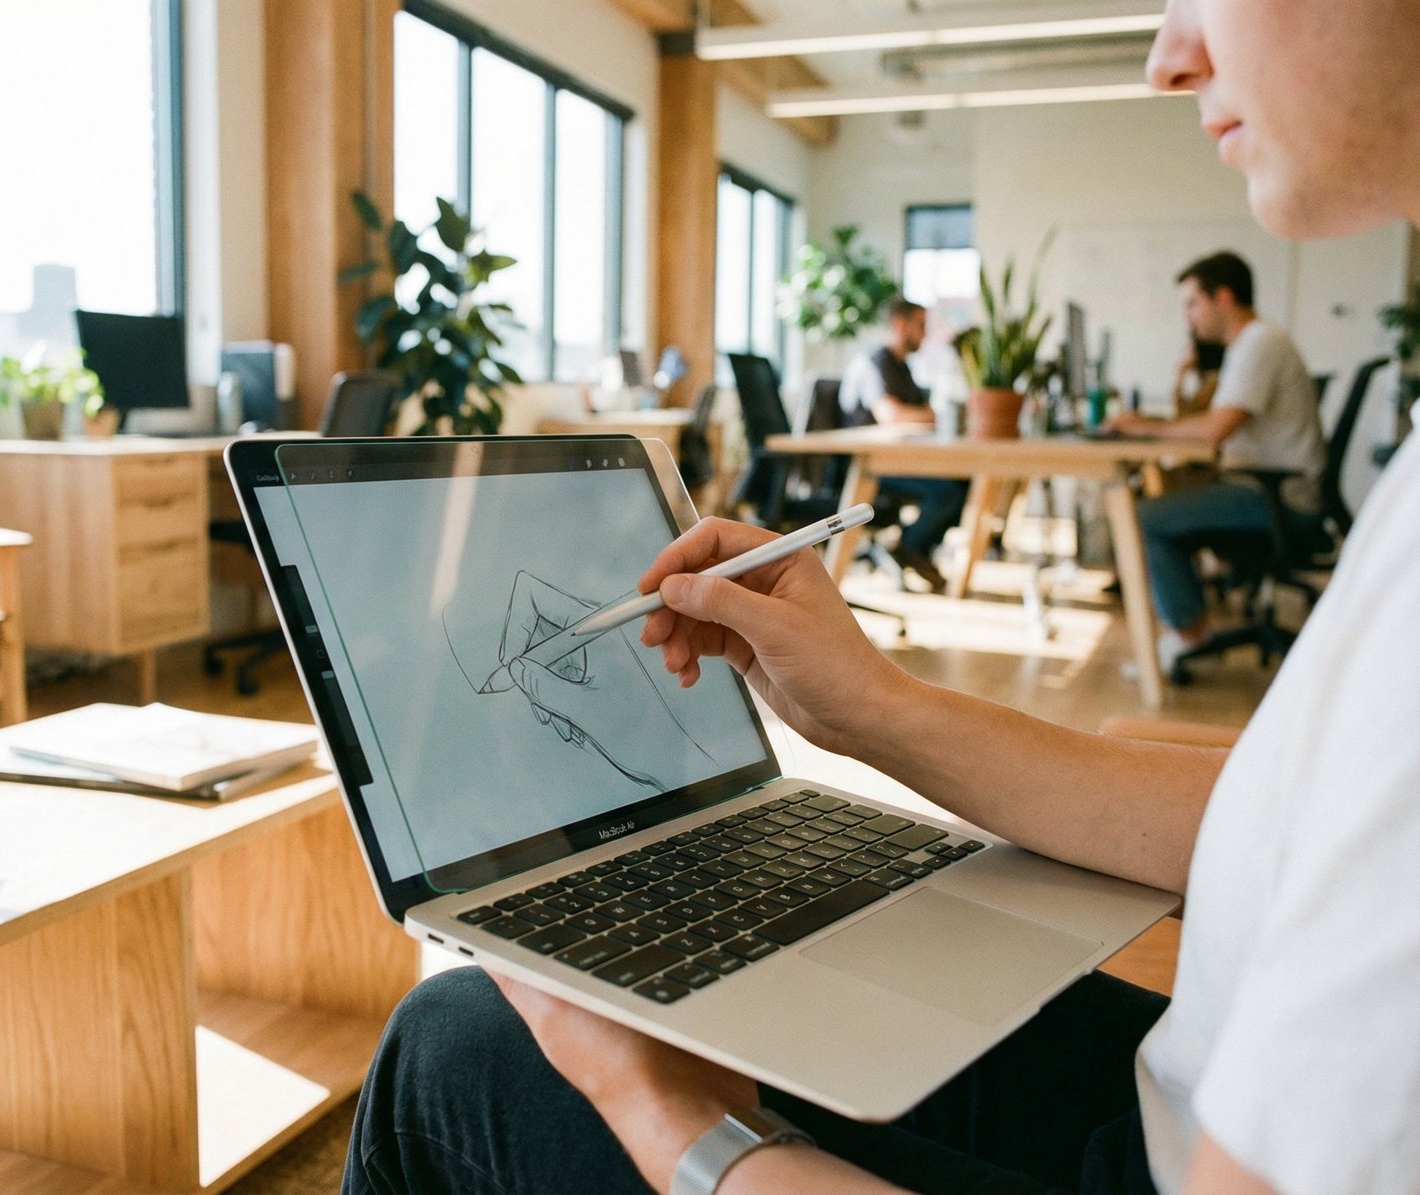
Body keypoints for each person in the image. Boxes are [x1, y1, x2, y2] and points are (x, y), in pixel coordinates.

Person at [347, 1, 1420, 1192]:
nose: (1170, 55)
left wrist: (668, 1119)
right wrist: (869, 707)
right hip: (1181, 1085)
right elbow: (1291, 819)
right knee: (841, 957)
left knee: (454, 1043)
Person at [1102, 251, 1325, 666]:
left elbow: (1214, 430)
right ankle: (1190, 625)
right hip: (1263, 486)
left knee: (1144, 516)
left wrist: (1141, 427)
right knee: (1160, 497)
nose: (1188, 317)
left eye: (1192, 304)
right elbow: (1204, 419)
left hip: (1276, 496)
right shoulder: (1249, 345)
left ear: (1222, 297)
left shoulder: (1260, 343)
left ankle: (1188, 634)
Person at [837, 299, 969, 592]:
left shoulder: (902, 368)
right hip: (868, 466)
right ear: (900, 324)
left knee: (963, 484)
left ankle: (915, 547)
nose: (925, 334)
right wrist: (934, 416)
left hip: (899, 460)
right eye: (921, 326)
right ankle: (910, 546)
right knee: (947, 493)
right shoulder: (875, 362)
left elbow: (924, 413)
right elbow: (891, 415)